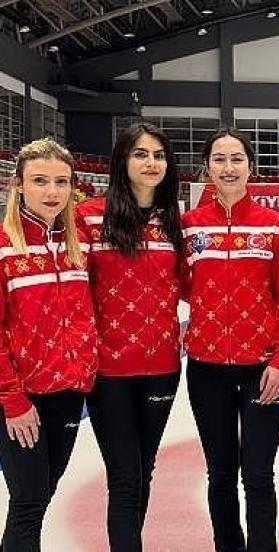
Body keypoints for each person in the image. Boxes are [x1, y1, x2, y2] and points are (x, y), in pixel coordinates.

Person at [181, 127, 279, 551]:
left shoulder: (275, 227)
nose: (228, 168)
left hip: (261, 371)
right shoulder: (188, 227)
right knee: (221, 475)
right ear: (207, 167)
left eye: (236, 159)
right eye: (219, 159)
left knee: (259, 474)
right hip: (206, 370)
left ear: (251, 167)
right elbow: (177, 285)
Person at [76, 122, 185, 551]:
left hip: (162, 368)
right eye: (141, 154)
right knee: (124, 477)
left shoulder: (172, 222)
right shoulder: (88, 218)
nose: (151, 162)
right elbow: (73, 293)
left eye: (158, 155)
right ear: (122, 161)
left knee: (143, 469)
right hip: (109, 372)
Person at [0, 138, 98, 549]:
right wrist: (12, 399)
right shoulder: (4, 248)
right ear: (19, 185)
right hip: (21, 398)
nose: (52, 191)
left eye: (61, 182)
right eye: (40, 181)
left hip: (69, 394)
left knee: (40, 497)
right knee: (28, 501)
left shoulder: (79, 246)